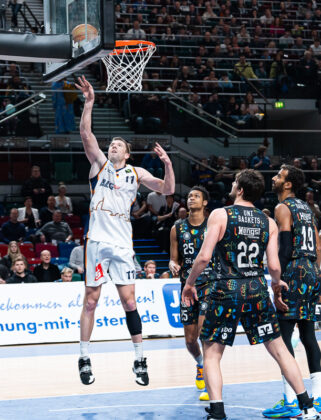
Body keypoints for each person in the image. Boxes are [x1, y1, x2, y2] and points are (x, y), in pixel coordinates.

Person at [182, 169, 320, 420]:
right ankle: (307, 407)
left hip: (226, 289)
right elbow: (275, 266)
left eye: (235, 182)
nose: (232, 185)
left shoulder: (220, 214)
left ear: (241, 189)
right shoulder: (267, 221)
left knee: (212, 353)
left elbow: (203, 257)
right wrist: (277, 285)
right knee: (279, 348)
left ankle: (217, 412)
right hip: (256, 289)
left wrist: (189, 284)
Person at [74, 75, 175, 387]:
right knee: (91, 300)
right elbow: (86, 133)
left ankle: (139, 358)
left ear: (127, 153)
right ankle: (84, 356)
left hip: (121, 245)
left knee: (129, 303)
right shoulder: (99, 165)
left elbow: (168, 189)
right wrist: (89, 103)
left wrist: (168, 164)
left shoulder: (137, 172)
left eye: (118, 144)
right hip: (97, 242)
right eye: (111, 144)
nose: (112, 145)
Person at [263, 165, 321, 418]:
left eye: (279, 176)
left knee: (283, 338)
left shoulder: (282, 207)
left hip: (294, 269)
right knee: (309, 336)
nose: (274, 178)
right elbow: (318, 246)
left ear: (287, 184)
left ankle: (290, 400)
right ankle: (318, 398)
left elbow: (285, 248)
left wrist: (277, 282)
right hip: (311, 270)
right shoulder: (308, 209)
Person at [170, 185, 214, 402]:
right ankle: (199, 363)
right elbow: (174, 258)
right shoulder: (177, 227)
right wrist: (172, 263)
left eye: (196, 196)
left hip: (209, 285)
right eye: (189, 196)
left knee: (205, 335)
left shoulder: (213, 225)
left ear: (205, 202)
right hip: (187, 286)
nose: (191, 198)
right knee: (190, 340)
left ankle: (208, 383)